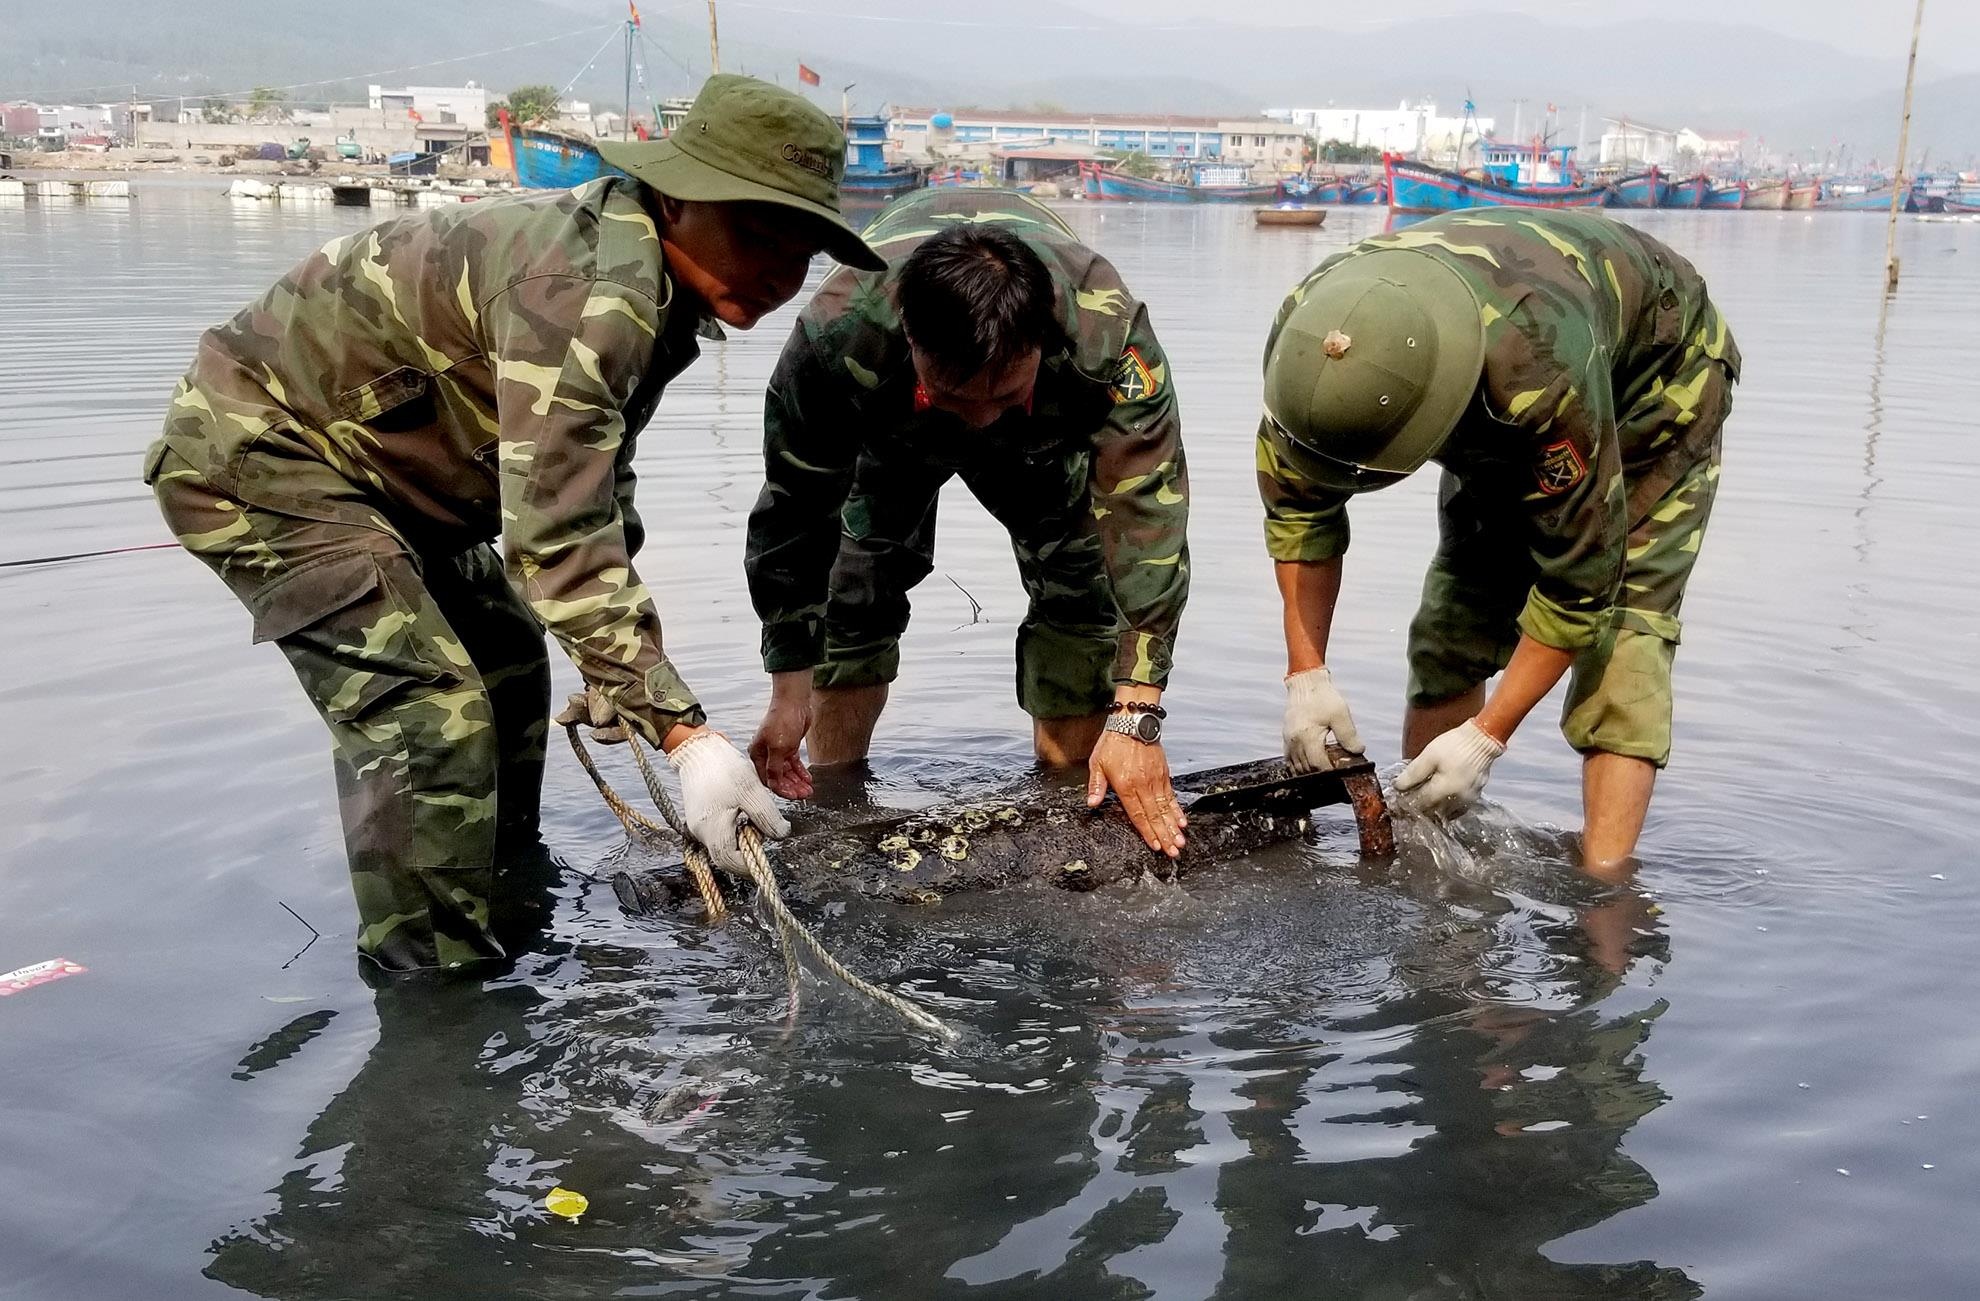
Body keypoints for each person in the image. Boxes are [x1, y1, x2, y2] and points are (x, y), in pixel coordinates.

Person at [142, 75, 888, 974]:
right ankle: (433, 985)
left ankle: (499, 894)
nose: (780, 271)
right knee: (431, 712)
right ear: (680, 197)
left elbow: (594, 481)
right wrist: (685, 733)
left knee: (507, 657)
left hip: (399, 481)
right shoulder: (591, 291)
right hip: (265, 458)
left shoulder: (647, 276)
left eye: (801, 246)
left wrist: (621, 670)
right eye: (759, 231)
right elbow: (556, 539)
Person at [1257, 209, 1739, 872]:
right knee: (1456, 613)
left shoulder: (1538, 372)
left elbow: (1580, 582)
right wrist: (1305, 675)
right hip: (1476, 361)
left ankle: (1606, 898)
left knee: (1625, 634)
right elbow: (1298, 512)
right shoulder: (1312, 345)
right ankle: (1424, 854)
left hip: (1653, 385)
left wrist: (1488, 737)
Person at [744, 189, 1192, 857]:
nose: (979, 419)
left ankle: (1073, 813)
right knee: (854, 586)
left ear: (1042, 339)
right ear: (910, 335)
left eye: (999, 395)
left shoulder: (1108, 337)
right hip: (894, 421)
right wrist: (788, 683)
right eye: (958, 396)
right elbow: (796, 511)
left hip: (1046, 428)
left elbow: (1147, 525)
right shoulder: (839, 335)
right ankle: (835, 815)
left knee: (1081, 590)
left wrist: (1138, 714)